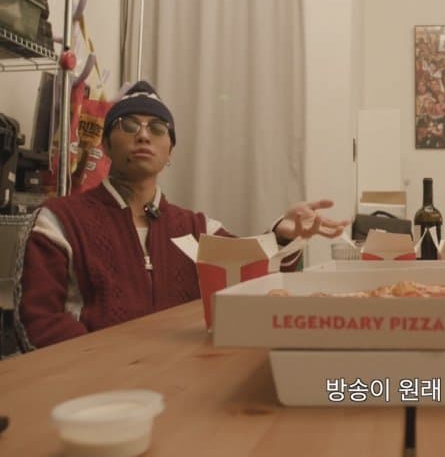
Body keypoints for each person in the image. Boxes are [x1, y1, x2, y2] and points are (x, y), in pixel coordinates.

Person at [18, 81, 348, 348]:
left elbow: (252, 279)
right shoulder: (60, 221)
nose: (143, 135)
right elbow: (39, 322)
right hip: (95, 388)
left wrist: (282, 235)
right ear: (105, 145)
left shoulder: (198, 228)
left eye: (157, 128)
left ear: (170, 151)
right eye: (128, 125)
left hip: (184, 380)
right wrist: (107, 364)